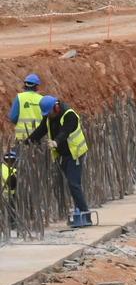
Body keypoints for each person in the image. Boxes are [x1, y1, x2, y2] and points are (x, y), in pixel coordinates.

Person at [28, 95, 91, 227]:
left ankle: (86, 215)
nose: (48, 116)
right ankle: (79, 210)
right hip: (63, 155)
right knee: (71, 184)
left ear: (56, 107)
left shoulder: (69, 115)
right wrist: (27, 142)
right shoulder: (49, 116)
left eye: (49, 113)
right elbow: (41, 130)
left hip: (75, 154)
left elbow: (65, 132)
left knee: (74, 183)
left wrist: (56, 142)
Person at [9, 74, 44, 143]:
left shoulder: (19, 98)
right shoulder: (42, 99)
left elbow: (13, 117)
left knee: (21, 154)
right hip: (38, 136)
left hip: (21, 137)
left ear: (25, 85)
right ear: (36, 86)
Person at [1, 150, 15, 231]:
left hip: (5, 194)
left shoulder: (4, 167)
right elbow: (12, 185)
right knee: (10, 212)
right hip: (7, 195)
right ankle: (11, 225)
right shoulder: (10, 170)